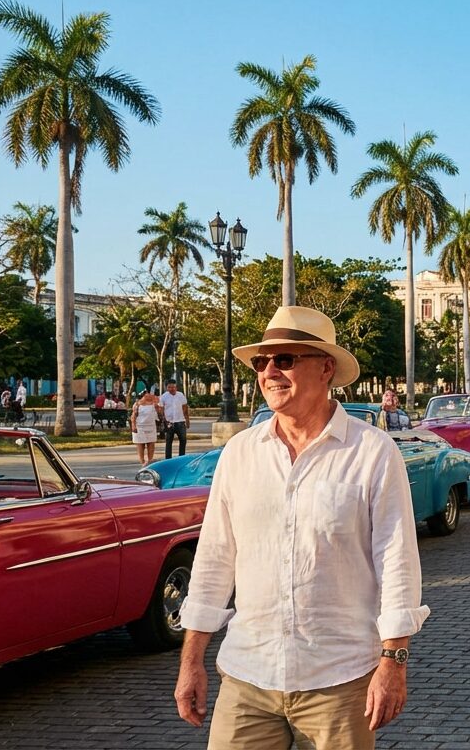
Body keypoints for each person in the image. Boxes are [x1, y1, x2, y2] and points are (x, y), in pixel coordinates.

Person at [175, 306, 429, 747]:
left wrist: (393, 662)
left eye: (285, 360)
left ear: (326, 368)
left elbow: (397, 562)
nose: (270, 371)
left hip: (340, 678)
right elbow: (215, 559)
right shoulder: (240, 453)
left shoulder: (372, 451)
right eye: (261, 362)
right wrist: (191, 659)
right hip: (248, 675)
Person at [130, 389, 162, 466]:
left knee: (151, 444)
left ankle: (150, 460)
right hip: (140, 427)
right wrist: (133, 425)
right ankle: (142, 461)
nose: (151, 396)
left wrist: (157, 407)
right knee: (140, 445)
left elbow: (160, 413)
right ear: (145, 395)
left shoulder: (155, 404)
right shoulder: (137, 404)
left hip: (151, 426)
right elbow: (133, 416)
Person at [160, 379, 190, 459]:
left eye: (173, 387)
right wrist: (163, 420)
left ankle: (181, 457)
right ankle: (168, 459)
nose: (171, 389)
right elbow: (161, 409)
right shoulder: (164, 397)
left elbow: (185, 408)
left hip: (180, 421)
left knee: (183, 440)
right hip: (169, 423)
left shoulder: (180, 395)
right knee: (169, 441)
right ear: (167, 388)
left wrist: (187, 420)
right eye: (169, 387)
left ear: (176, 387)